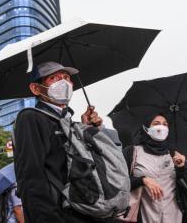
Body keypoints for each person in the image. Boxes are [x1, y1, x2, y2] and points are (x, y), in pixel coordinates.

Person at [13, 61, 113, 223]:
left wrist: (86, 129)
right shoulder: (31, 118)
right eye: (53, 78)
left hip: (81, 209)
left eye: (66, 77)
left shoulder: (68, 121)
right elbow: (30, 176)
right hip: (57, 215)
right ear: (36, 89)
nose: (63, 82)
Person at [122, 114, 187, 223]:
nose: (161, 127)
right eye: (156, 124)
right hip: (144, 217)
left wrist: (182, 167)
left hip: (175, 217)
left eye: (165, 125)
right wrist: (142, 180)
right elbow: (119, 183)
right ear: (146, 128)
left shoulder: (174, 154)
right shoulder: (132, 152)